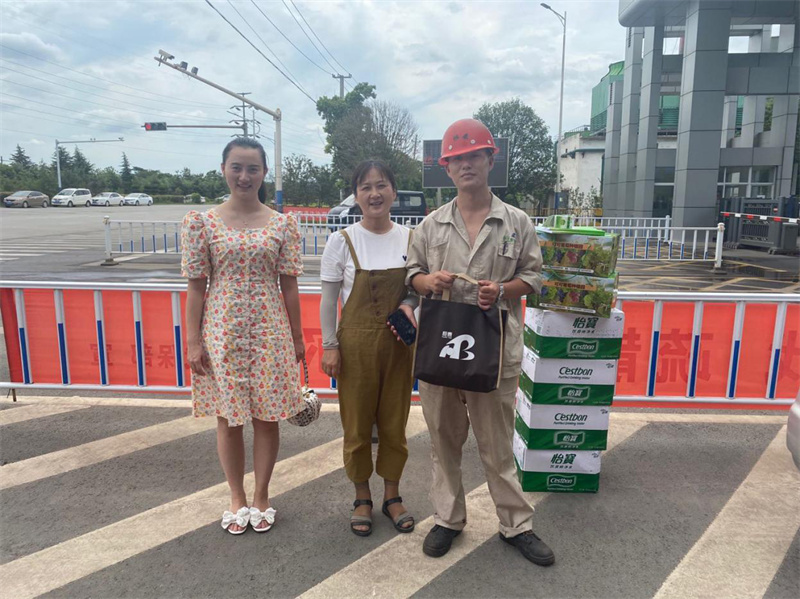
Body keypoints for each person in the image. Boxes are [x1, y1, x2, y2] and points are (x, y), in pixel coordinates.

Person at [405, 118, 555, 565]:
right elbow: (411, 275)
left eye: (475, 156)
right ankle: (448, 519)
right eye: (457, 159)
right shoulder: (430, 225)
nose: (466, 164)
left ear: (491, 160)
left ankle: (516, 524)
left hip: (493, 351)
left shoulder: (516, 222)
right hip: (442, 349)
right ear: (446, 168)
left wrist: (503, 290)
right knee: (443, 441)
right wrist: (429, 281)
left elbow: (534, 276)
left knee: (497, 444)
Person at [181, 137, 306, 535]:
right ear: (223, 169)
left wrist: (298, 338)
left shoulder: (282, 224)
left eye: (253, 168)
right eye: (236, 167)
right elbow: (196, 286)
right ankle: (236, 496)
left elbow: (289, 285)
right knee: (229, 419)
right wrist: (194, 341)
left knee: (268, 417)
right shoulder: (202, 223)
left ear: (264, 173)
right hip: (223, 332)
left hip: (270, 331)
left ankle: (262, 495)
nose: (244, 176)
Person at [320, 160, 416, 537]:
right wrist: (330, 345)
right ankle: (362, 497)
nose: (374, 194)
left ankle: (392, 496)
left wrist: (410, 304)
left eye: (381, 185)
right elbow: (329, 300)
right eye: (365, 187)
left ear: (394, 191)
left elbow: (420, 290)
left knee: (395, 423)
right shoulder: (342, 241)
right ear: (355, 195)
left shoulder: (412, 239)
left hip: (399, 347)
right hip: (355, 347)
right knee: (357, 425)